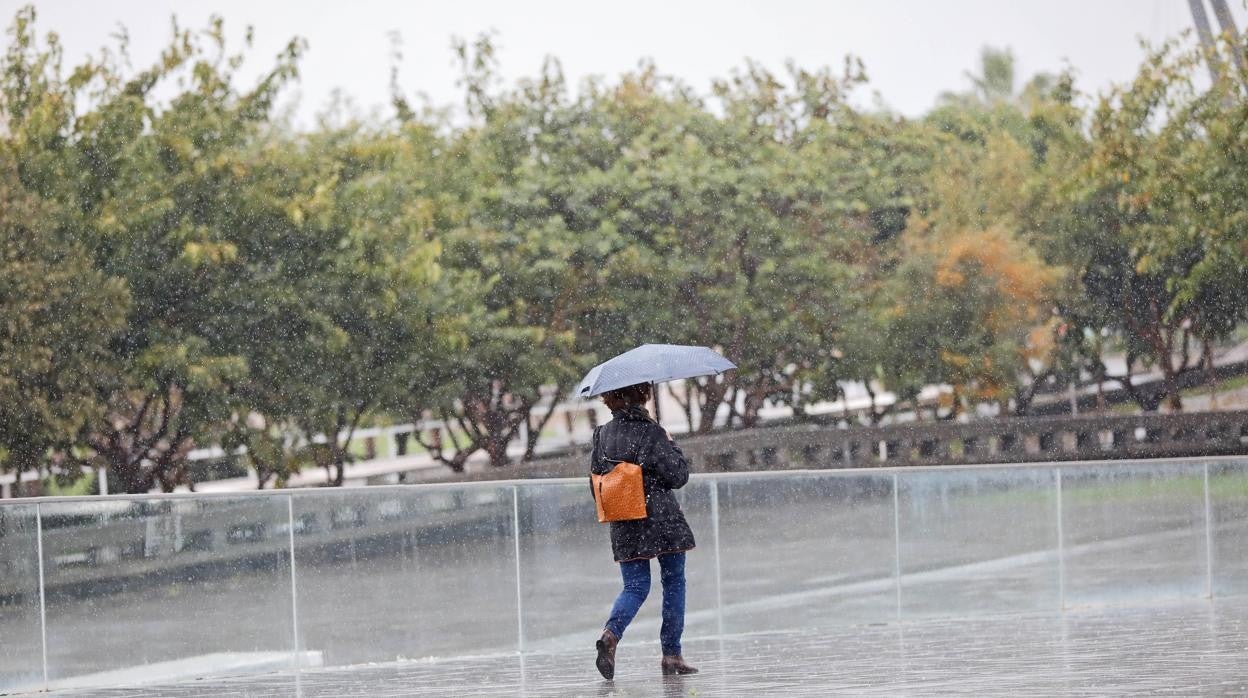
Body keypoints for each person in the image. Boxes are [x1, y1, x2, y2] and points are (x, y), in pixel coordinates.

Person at [591, 382, 698, 679]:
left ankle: (611, 636)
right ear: (641, 395)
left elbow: (596, 485)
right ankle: (671, 655)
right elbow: (678, 476)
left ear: (610, 397)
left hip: (625, 522)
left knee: (635, 587)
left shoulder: (601, 436)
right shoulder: (652, 433)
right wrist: (670, 442)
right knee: (674, 582)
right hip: (662, 521)